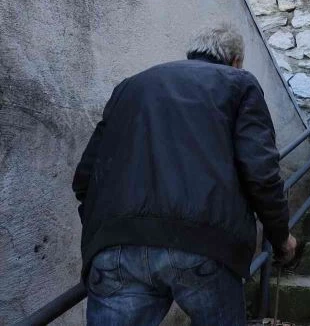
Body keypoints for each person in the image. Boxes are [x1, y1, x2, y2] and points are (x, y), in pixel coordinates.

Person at [72, 27, 296, 325]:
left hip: (115, 246)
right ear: (236, 60)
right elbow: (261, 173)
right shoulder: (239, 83)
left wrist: (106, 233)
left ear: (193, 53)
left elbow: (84, 178)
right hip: (203, 243)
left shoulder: (131, 86)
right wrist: (281, 236)